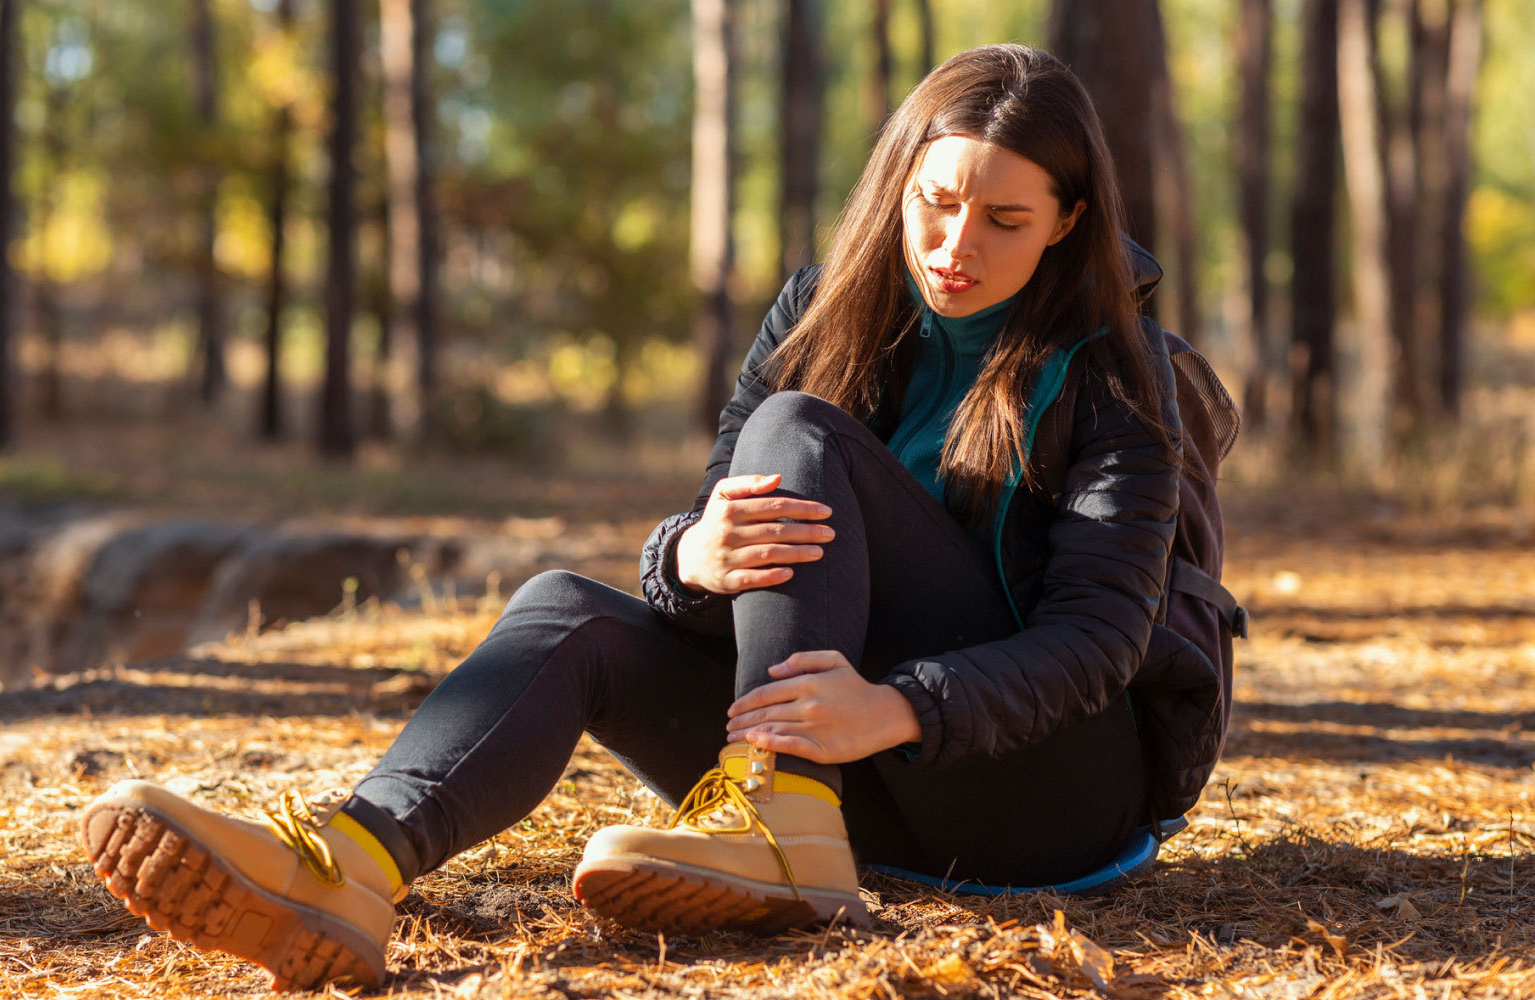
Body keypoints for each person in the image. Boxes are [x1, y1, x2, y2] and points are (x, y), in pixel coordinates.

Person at [77, 43, 1185, 993]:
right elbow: (715, 560)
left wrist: (893, 708)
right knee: (567, 608)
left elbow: (1099, 643)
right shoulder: (820, 315)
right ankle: (353, 866)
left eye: (1004, 219)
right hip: (862, 792)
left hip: (1042, 793)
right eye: (935, 203)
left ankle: (782, 817)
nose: (955, 245)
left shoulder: (1117, 375)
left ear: (1067, 221)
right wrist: (692, 557)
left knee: (800, 430)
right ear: (898, 183)